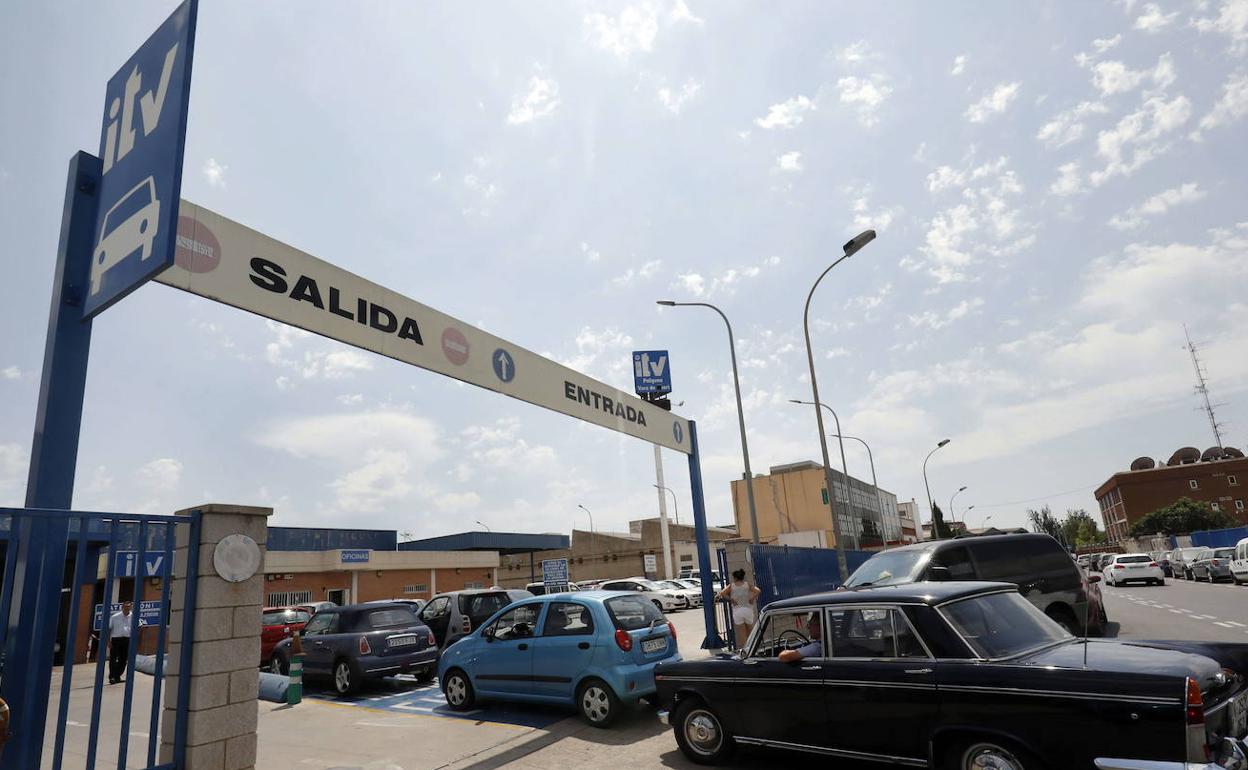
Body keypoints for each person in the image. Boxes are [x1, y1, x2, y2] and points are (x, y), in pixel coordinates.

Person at [717, 569, 760, 648]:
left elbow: (722, 593)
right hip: (748, 609)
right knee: (750, 631)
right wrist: (752, 598)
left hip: (737, 610)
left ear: (735, 578)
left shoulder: (732, 586)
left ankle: (745, 649)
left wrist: (731, 599)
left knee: (742, 633)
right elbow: (758, 591)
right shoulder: (747, 585)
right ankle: (753, 648)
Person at [108, 601, 134, 685]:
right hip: (116, 639)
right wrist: (108, 641)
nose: (127, 608)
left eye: (128, 607)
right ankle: (112, 677)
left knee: (123, 660)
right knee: (113, 659)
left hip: (127, 639)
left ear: (131, 607)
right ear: (122, 607)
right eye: (125, 607)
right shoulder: (115, 617)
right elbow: (109, 628)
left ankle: (117, 676)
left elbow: (139, 626)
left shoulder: (133, 616)